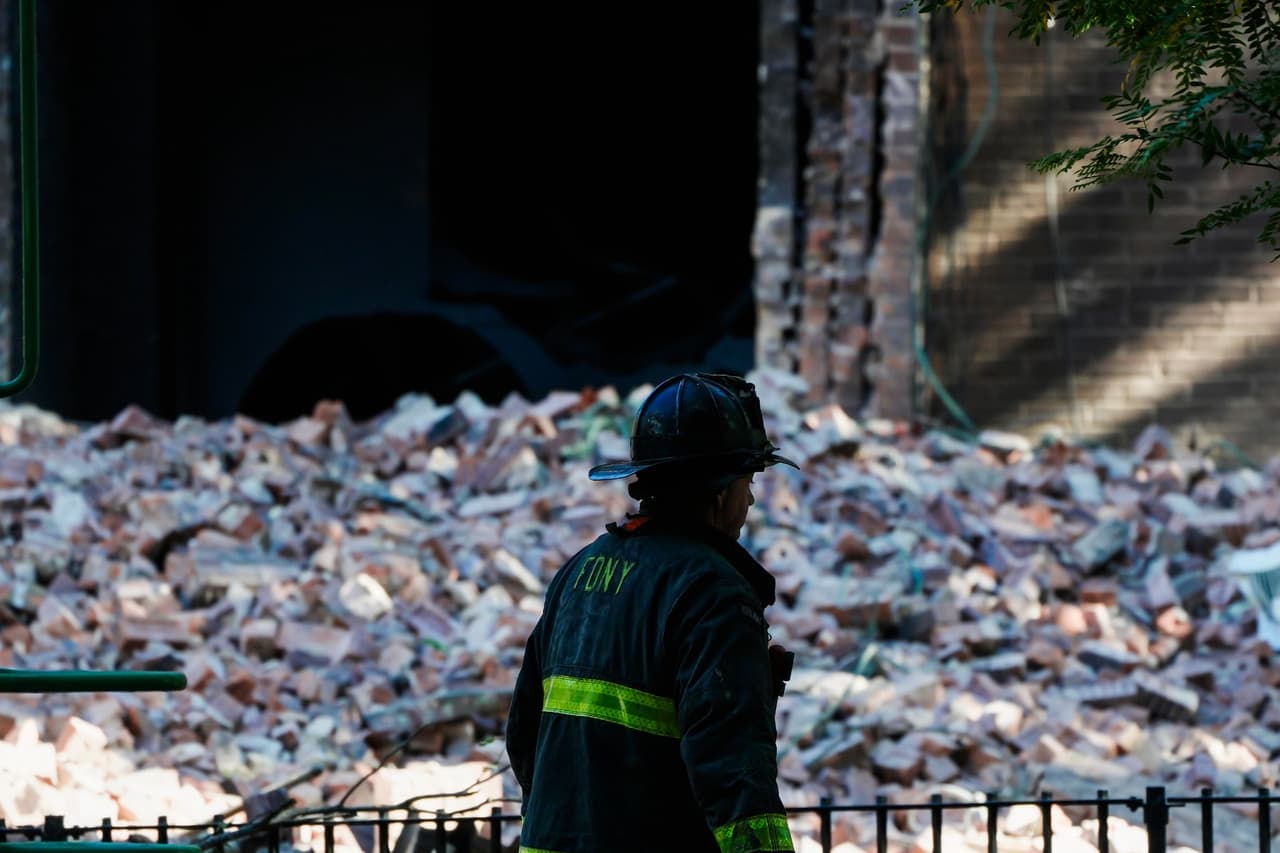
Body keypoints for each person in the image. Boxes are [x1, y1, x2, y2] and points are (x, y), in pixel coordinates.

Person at [506, 373, 799, 853]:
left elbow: (524, 734)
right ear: (722, 492)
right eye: (748, 482)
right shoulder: (714, 592)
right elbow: (733, 771)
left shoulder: (579, 572)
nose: (749, 501)